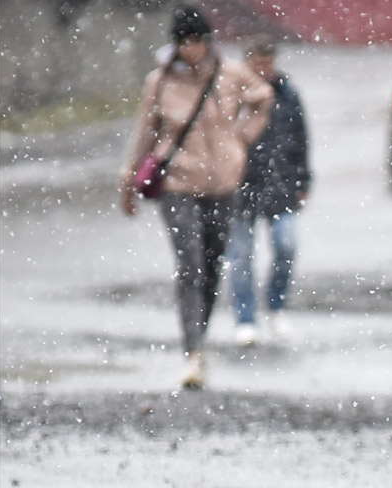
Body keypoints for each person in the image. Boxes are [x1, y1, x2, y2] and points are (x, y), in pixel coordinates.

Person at [119, 5, 272, 389]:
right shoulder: (160, 82)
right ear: (175, 45)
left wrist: (241, 138)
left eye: (199, 41)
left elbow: (263, 97)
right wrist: (127, 180)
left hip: (223, 184)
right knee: (190, 264)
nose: (192, 50)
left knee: (211, 263)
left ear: (208, 42)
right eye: (185, 42)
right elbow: (144, 131)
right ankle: (192, 351)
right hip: (178, 184)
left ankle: (198, 335)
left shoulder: (230, 74)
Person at [226, 34, 311, 346]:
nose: (263, 68)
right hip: (238, 187)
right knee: (241, 256)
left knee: (286, 246)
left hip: (280, 186)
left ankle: (276, 306)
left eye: (267, 62)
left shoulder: (287, 95)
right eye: (257, 62)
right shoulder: (232, 95)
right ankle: (246, 318)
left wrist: (303, 181)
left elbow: (300, 140)